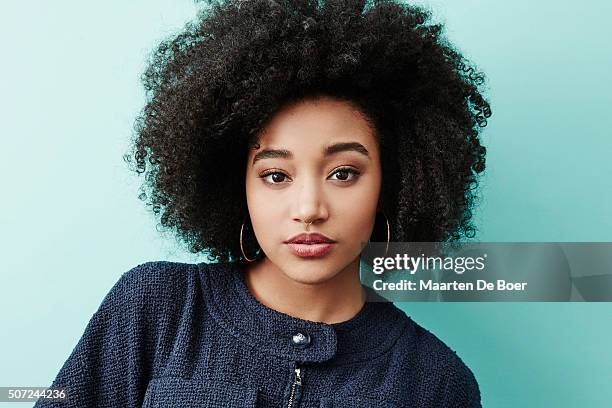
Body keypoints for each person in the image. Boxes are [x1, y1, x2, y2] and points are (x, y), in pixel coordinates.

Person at [36, 0, 491, 406]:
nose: (310, 208)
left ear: (396, 183)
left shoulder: (437, 384)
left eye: (344, 173)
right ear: (239, 186)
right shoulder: (154, 308)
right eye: (276, 175)